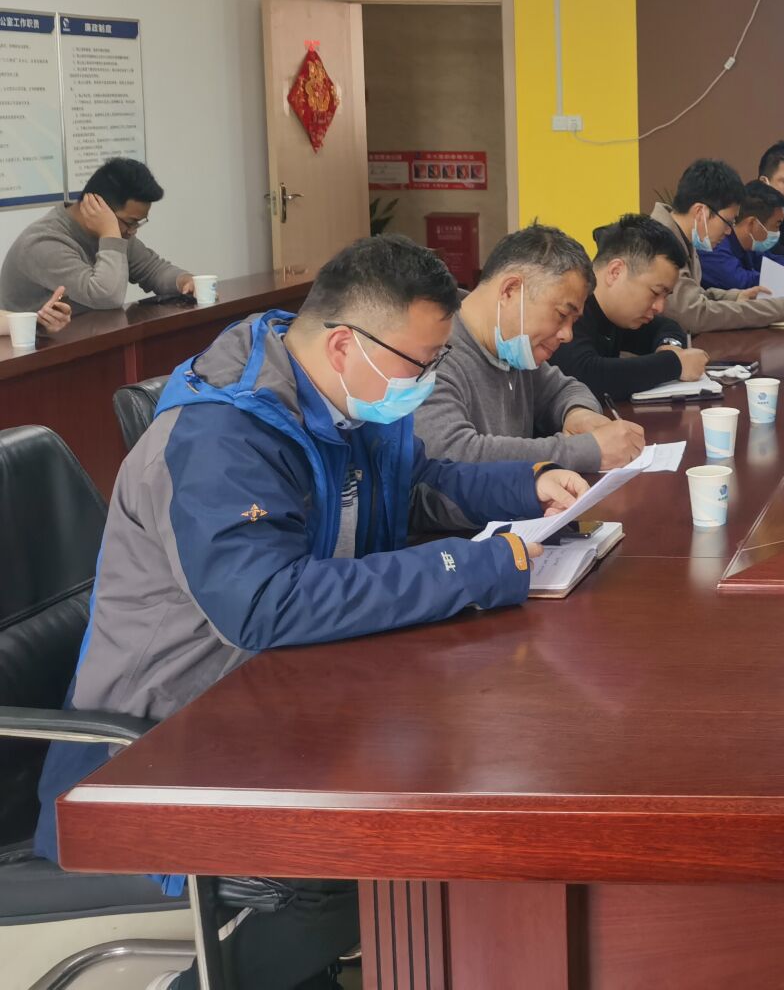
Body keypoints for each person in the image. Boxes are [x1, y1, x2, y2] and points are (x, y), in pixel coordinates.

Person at [35, 235, 585, 989]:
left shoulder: (347, 399)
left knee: (450, 763)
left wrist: (528, 486)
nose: (428, 383)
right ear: (343, 345)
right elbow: (266, 604)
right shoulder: (221, 435)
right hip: (161, 740)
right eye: (422, 364)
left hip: (279, 701)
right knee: (344, 865)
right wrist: (471, 566)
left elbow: (417, 482)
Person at [413, 224, 649, 474]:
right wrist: (586, 451)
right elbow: (453, 453)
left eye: (573, 321)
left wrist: (578, 415)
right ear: (510, 290)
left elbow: (565, 389)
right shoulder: (430, 352)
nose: (567, 334)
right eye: (561, 315)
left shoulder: (513, 349)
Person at [0, 157, 196, 312]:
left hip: (86, 337)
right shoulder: (44, 243)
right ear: (98, 208)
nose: (133, 230)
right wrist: (110, 234)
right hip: (37, 349)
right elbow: (106, 297)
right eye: (130, 222)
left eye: (138, 222)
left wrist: (184, 281)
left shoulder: (116, 232)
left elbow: (152, 269)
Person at [550, 214, 709, 401]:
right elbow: (584, 375)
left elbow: (667, 326)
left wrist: (670, 347)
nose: (659, 306)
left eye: (665, 296)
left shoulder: (617, 315)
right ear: (616, 272)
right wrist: (674, 364)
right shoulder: (571, 309)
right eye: (655, 292)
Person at [649, 159, 784, 331]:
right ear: (700, 212)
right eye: (728, 222)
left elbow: (694, 296)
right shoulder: (658, 245)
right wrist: (781, 309)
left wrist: (735, 297)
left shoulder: (683, 237)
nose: (729, 231)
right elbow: (693, 315)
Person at [699, 180, 784, 291]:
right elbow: (739, 282)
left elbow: (773, 261)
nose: (778, 231)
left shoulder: (749, 247)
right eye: (777, 225)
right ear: (752, 223)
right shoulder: (714, 245)